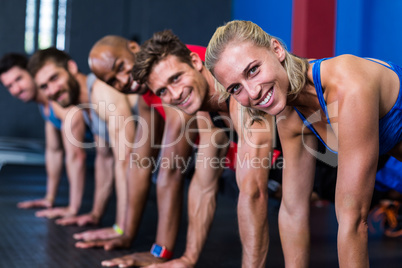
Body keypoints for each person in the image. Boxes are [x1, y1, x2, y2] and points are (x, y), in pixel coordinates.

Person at [204, 20, 402, 267]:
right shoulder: (290, 116)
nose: (252, 92)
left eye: (253, 70)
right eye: (236, 88)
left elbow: (352, 220)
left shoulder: (346, 85)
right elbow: (292, 210)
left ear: (276, 49)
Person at [131, 29, 275, 268]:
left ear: (195, 61)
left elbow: (254, 194)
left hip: (333, 158)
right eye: (163, 91)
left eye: (176, 78)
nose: (175, 94)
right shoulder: (206, 111)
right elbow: (204, 186)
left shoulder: (239, 97)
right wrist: (188, 259)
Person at [84, 36, 200, 265]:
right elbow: (139, 162)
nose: (123, 80)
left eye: (120, 67)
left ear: (134, 48)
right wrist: (125, 232)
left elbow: (171, 169)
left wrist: (159, 254)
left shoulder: (174, 78)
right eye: (112, 82)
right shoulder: (148, 95)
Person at [27, 47, 136, 242]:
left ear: (72, 67)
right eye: (44, 87)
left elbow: (127, 159)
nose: (52, 90)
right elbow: (105, 159)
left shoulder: (101, 91)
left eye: (54, 78)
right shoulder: (87, 109)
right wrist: (95, 214)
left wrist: (121, 228)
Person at [0, 52, 89, 219]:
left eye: (19, 79)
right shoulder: (45, 107)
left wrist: (72, 209)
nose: (16, 89)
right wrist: (50, 198)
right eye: (9, 86)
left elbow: (76, 157)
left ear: (33, 74)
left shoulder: (60, 103)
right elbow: (54, 152)